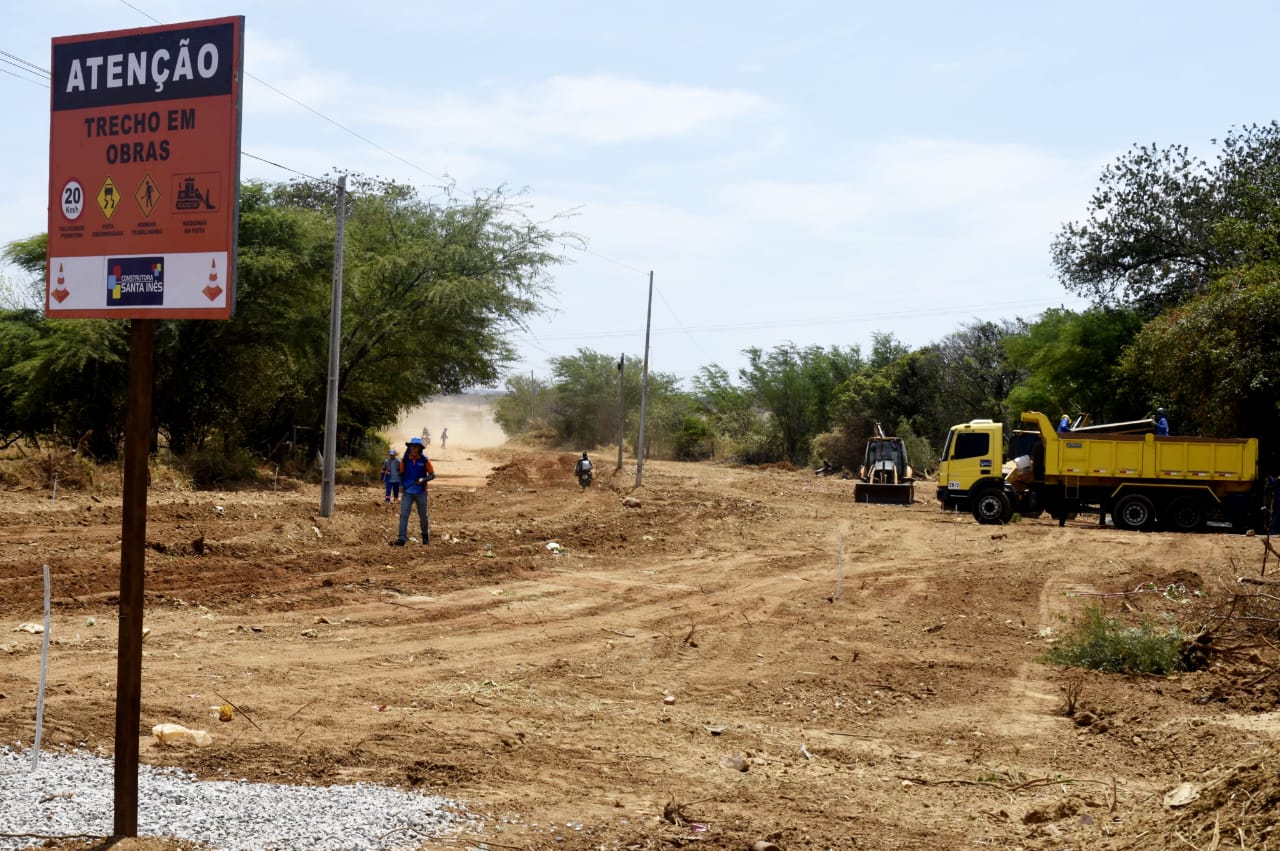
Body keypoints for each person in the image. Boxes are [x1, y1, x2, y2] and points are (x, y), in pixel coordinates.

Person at [393, 437, 435, 545]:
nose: (413, 448)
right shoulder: (405, 460)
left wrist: (424, 480)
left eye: (415, 446)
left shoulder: (425, 460)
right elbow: (400, 474)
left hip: (421, 492)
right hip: (407, 491)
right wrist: (401, 485)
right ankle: (402, 538)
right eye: (411, 446)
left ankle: (425, 537)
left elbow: (433, 475)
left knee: (423, 516)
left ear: (420, 448)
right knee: (404, 515)